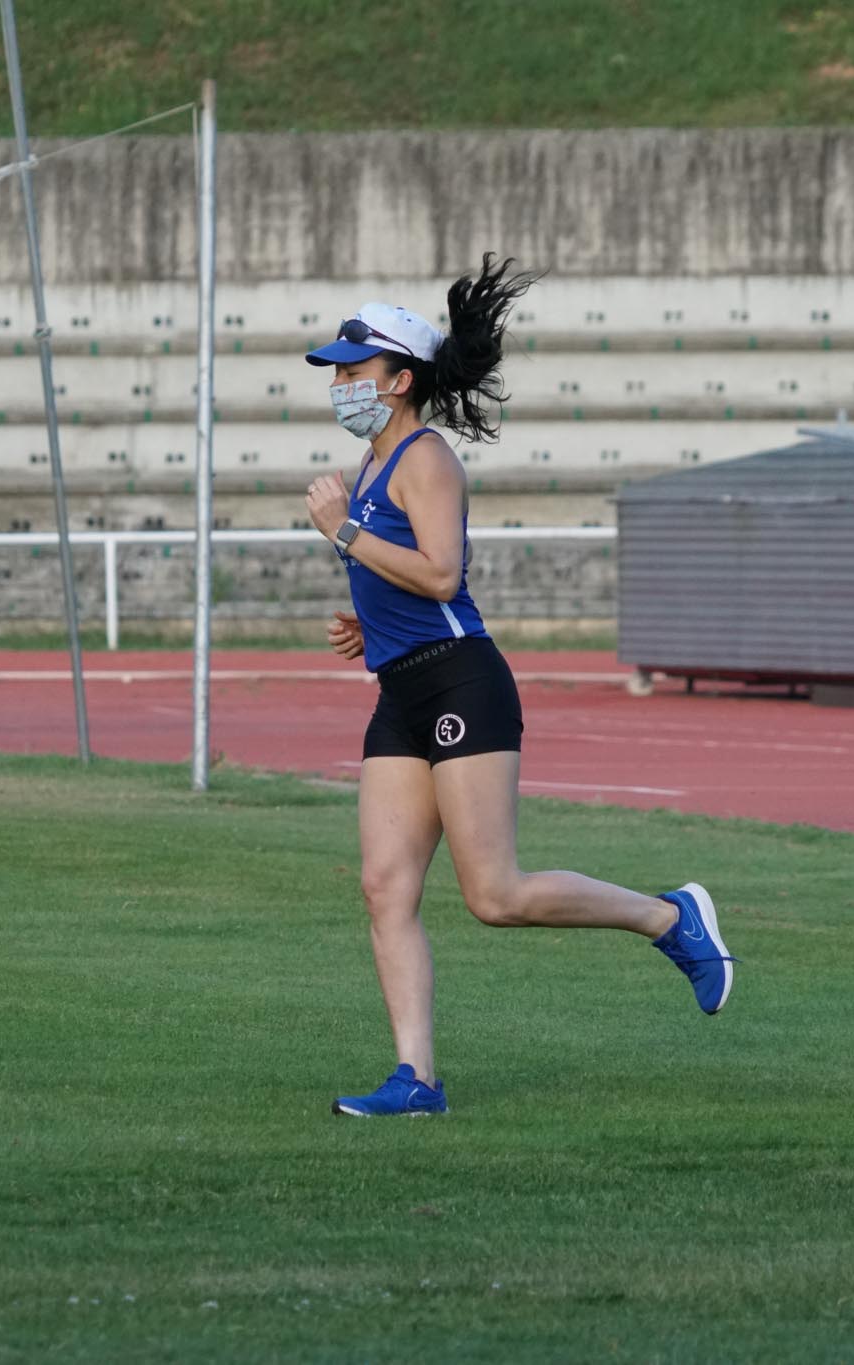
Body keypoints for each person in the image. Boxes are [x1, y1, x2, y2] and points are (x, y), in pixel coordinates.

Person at [301, 254, 735, 1119]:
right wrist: (368, 623)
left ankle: (668, 916)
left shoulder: (423, 459)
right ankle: (416, 1080)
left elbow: (439, 574)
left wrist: (345, 534)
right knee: (385, 887)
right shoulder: (372, 470)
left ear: (399, 380)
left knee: (494, 894)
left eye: (354, 370)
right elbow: (411, 590)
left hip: (463, 685)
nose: (340, 384)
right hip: (402, 689)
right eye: (337, 372)